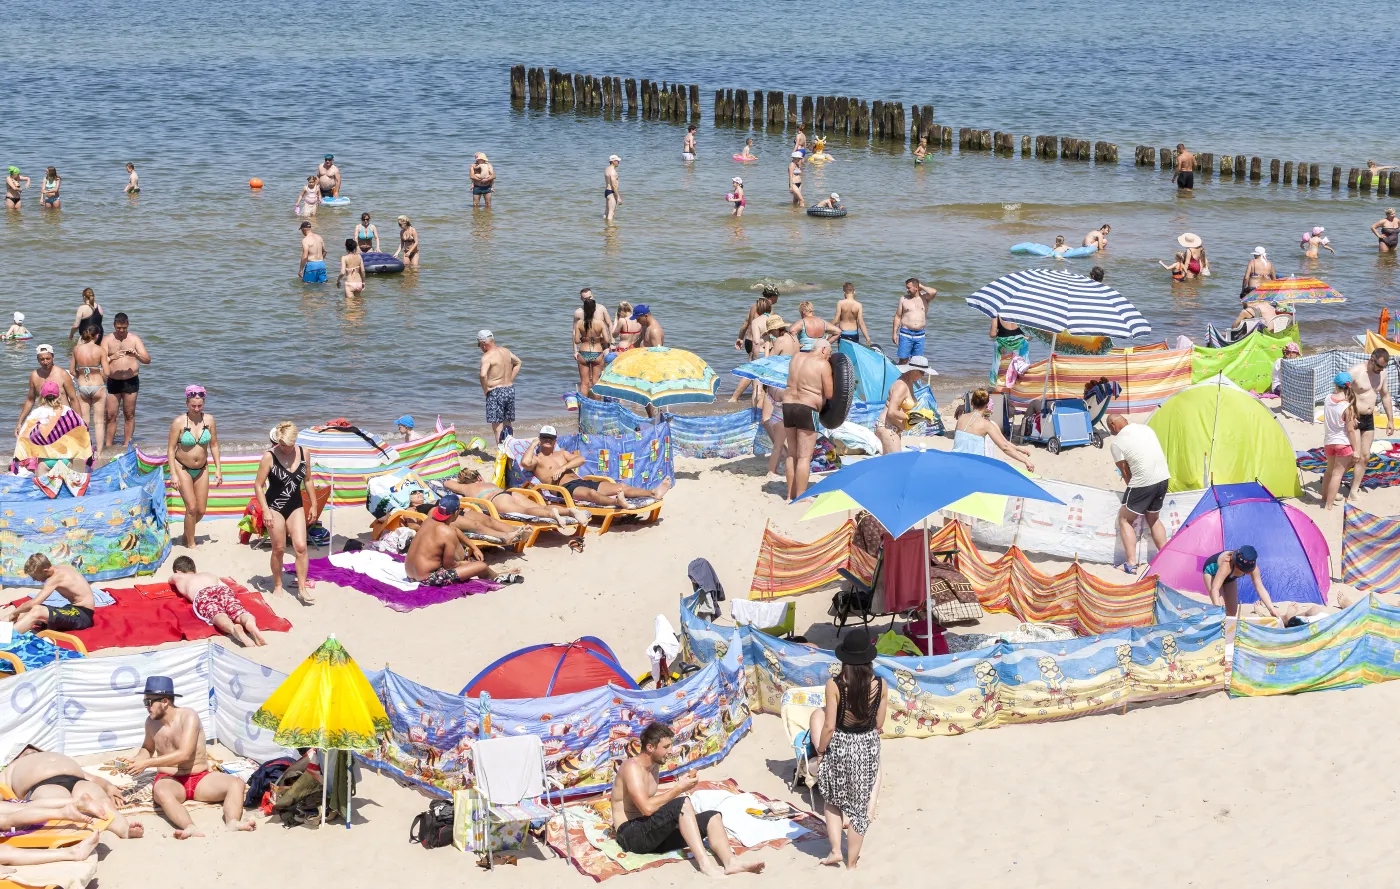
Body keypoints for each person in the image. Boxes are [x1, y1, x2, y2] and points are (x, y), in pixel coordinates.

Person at [611, 722, 764, 877]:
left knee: (712, 817)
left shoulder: (654, 766)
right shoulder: (632, 768)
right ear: (650, 747)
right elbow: (647, 808)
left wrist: (681, 786)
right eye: (666, 747)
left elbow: (653, 804)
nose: (671, 751)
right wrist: (678, 789)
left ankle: (731, 862)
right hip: (631, 836)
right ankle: (705, 865)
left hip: (650, 833)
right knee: (682, 803)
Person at [117, 676, 256, 837]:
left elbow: (185, 754)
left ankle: (233, 822)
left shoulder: (188, 716)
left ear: (164, 701)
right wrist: (136, 760)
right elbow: (147, 748)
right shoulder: (151, 722)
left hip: (200, 778)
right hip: (171, 780)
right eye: (145, 703)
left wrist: (146, 763)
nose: (146, 707)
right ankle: (189, 827)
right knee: (161, 792)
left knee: (236, 783)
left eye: (149, 702)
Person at [815, 629, 886, 869]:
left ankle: (836, 850)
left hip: (841, 746)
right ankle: (852, 863)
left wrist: (821, 750)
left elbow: (829, 726)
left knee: (832, 799)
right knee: (859, 808)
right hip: (866, 745)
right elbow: (879, 723)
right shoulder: (881, 684)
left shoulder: (834, 685)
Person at [0, 746, 142, 839]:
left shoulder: (57, 756)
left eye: (32, 748)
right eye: (24, 750)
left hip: (77, 780)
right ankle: (74, 837)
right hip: (43, 784)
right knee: (59, 809)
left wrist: (110, 787)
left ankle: (124, 829)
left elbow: (93, 778)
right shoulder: (12, 766)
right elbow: (2, 788)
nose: (29, 749)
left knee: (103, 802)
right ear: (16, 757)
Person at [522, 426, 671, 508]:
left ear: (555, 441)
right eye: (544, 437)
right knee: (592, 494)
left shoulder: (562, 453)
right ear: (540, 439)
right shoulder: (537, 460)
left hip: (582, 481)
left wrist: (562, 468)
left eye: (551, 438)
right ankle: (616, 502)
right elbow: (525, 464)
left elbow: (581, 459)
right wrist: (533, 444)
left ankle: (653, 493)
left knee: (621, 487)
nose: (547, 440)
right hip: (565, 489)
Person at [254, 421, 317, 603]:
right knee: (279, 548)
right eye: (282, 445)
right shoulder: (269, 456)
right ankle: (278, 584)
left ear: (295, 440)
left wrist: (313, 504)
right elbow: (258, 485)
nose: (286, 449)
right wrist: (265, 510)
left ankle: (302, 588)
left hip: (295, 505)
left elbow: (308, 480)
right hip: (274, 506)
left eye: (289, 445)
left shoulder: (304, 453)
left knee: (301, 547)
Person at [403, 494, 519, 585]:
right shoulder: (447, 532)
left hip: (409, 574)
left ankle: (492, 572)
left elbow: (455, 530)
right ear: (456, 512)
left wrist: (474, 548)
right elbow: (449, 566)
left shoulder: (430, 520)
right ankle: (495, 576)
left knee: (471, 564)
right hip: (426, 579)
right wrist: (465, 563)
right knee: (480, 566)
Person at [1105, 415, 1170, 572]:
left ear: (1113, 425)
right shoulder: (1146, 428)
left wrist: (1134, 496)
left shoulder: (1117, 443)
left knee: (1125, 519)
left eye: (1109, 427)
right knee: (1153, 519)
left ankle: (1131, 563)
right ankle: (1167, 559)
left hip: (1144, 482)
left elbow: (1125, 473)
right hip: (1163, 478)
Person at [166, 385, 221, 547]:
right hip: (182, 467)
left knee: (201, 510)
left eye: (200, 405)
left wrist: (218, 469)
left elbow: (215, 445)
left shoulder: (209, 420)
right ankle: (191, 544)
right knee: (191, 508)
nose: (196, 408)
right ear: (186, 403)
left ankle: (186, 534)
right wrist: (173, 474)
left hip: (202, 468)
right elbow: (170, 449)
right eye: (193, 405)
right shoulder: (178, 422)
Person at [445, 467, 589, 527]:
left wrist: (460, 484)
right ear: (479, 477)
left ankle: (552, 514)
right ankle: (570, 511)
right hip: (511, 492)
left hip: (496, 500)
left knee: (525, 512)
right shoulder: (488, 482)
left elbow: (447, 483)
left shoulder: (466, 487)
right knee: (539, 506)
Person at [170, 556, 264, 647]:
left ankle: (233, 629)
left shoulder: (178, 576)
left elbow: (170, 580)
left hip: (202, 594)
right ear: (194, 570)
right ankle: (248, 621)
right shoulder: (208, 574)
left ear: (178, 571)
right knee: (238, 611)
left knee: (218, 615)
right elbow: (227, 588)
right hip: (220, 589)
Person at [783, 340, 832, 500]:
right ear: (824, 349)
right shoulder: (822, 364)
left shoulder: (796, 357)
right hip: (807, 408)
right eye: (829, 353)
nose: (829, 357)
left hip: (788, 405)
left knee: (791, 453)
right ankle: (801, 496)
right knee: (804, 456)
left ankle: (790, 495)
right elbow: (830, 393)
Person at [0, 554, 96, 634]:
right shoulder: (62, 568)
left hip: (82, 616)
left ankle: (5, 640)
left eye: (34, 576)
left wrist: (14, 612)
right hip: (72, 610)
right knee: (23, 613)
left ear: (45, 571)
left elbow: (35, 603)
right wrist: (16, 613)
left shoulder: (56, 577)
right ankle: (2, 631)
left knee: (37, 610)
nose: (34, 579)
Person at [1347, 349, 1395, 496]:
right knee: (1354, 455)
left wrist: (1390, 420)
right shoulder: (1356, 371)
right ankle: (1333, 477)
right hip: (1353, 416)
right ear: (1371, 359)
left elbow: (1385, 396)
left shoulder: (1382, 375)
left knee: (1365, 456)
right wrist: (1349, 413)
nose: (1381, 370)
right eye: (1379, 366)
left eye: (1384, 367)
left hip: (1368, 418)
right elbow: (1341, 392)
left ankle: (1354, 490)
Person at [103, 313, 151, 450]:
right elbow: (100, 361)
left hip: (131, 381)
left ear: (128, 325)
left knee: (129, 414)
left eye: (124, 327)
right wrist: (113, 356)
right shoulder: (107, 340)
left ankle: (126, 445)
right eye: (119, 328)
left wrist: (136, 355)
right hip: (113, 381)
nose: (121, 331)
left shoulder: (134, 339)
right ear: (114, 325)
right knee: (111, 414)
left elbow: (147, 360)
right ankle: (108, 445)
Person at [952, 389, 1034, 470]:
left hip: (955, 462)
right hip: (972, 466)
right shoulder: (987, 425)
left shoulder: (961, 418)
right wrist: (1025, 461)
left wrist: (1018, 449)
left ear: (972, 402)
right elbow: (1004, 447)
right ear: (987, 405)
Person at [876, 357, 936, 454]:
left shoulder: (909, 382)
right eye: (922, 372)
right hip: (888, 428)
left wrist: (919, 417)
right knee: (896, 463)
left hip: (893, 428)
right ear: (914, 370)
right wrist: (912, 416)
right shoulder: (901, 386)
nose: (923, 375)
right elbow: (891, 412)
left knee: (888, 464)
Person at [15, 344, 77, 436]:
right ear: (37, 359)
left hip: (63, 418)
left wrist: (78, 421)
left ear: (53, 357)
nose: (45, 362)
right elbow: (30, 400)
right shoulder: (34, 376)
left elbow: (73, 399)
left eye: (48, 358)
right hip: (43, 420)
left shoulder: (63, 374)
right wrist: (19, 422)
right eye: (42, 359)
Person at [1203, 546, 1278, 620]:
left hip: (1229, 577)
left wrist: (1271, 609)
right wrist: (1218, 611)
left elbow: (1260, 587)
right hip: (1212, 572)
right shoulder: (1227, 564)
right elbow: (1215, 589)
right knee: (1222, 609)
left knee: (1232, 612)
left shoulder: (1252, 567)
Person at [70, 326, 109, 463]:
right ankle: (99, 453)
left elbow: (72, 370)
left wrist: (81, 375)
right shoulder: (100, 350)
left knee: (84, 421)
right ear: (97, 336)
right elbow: (107, 372)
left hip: (82, 386)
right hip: (98, 386)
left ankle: (86, 451)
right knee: (98, 422)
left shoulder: (76, 349)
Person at [1321, 372, 1359, 510]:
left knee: (1329, 471)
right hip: (1342, 443)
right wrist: (1355, 449)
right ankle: (1329, 505)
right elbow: (1350, 431)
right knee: (1338, 474)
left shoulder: (1326, 399)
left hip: (1328, 441)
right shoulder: (1347, 406)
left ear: (1335, 384)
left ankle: (1324, 497)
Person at [479, 330, 521, 442]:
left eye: (479, 344)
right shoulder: (505, 351)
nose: (480, 348)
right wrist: (510, 379)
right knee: (508, 424)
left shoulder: (487, 356)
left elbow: (483, 375)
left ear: (483, 343)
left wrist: (485, 390)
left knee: (498, 427)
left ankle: (502, 454)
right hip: (509, 390)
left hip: (495, 391)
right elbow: (518, 363)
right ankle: (510, 451)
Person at [574, 294, 612, 399]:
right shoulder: (600, 323)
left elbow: (576, 340)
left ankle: (583, 405)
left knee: (584, 383)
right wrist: (596, 339)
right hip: (597, 352)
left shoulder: (579, 323)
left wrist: (584, 339)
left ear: (584, 310)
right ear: (594, 309)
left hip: (583, 352)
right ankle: (596, 408)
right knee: (596, 382)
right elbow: (606, 340)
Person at [892, 277, 937, 360]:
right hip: (905, 333)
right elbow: (898, 316)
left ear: (916, 288)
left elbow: (933, 292)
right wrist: (894, 333)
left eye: (908, 288)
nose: (907, 290)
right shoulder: (903, 299)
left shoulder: (925, 298)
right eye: (906, 288)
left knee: (917, 362)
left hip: (920, 335)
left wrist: (921, 286)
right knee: (903, 360)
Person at [604, 155, 622, 220]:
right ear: (613, 161)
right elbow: (614, 185)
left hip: (607, 191)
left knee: (607, 211)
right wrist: (618, 197)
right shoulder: (613, 172)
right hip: (611, 192)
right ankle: (611, 229)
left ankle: (605, 227)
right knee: (611, 212)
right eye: (617, 161)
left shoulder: (607, 169)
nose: (618, 162)